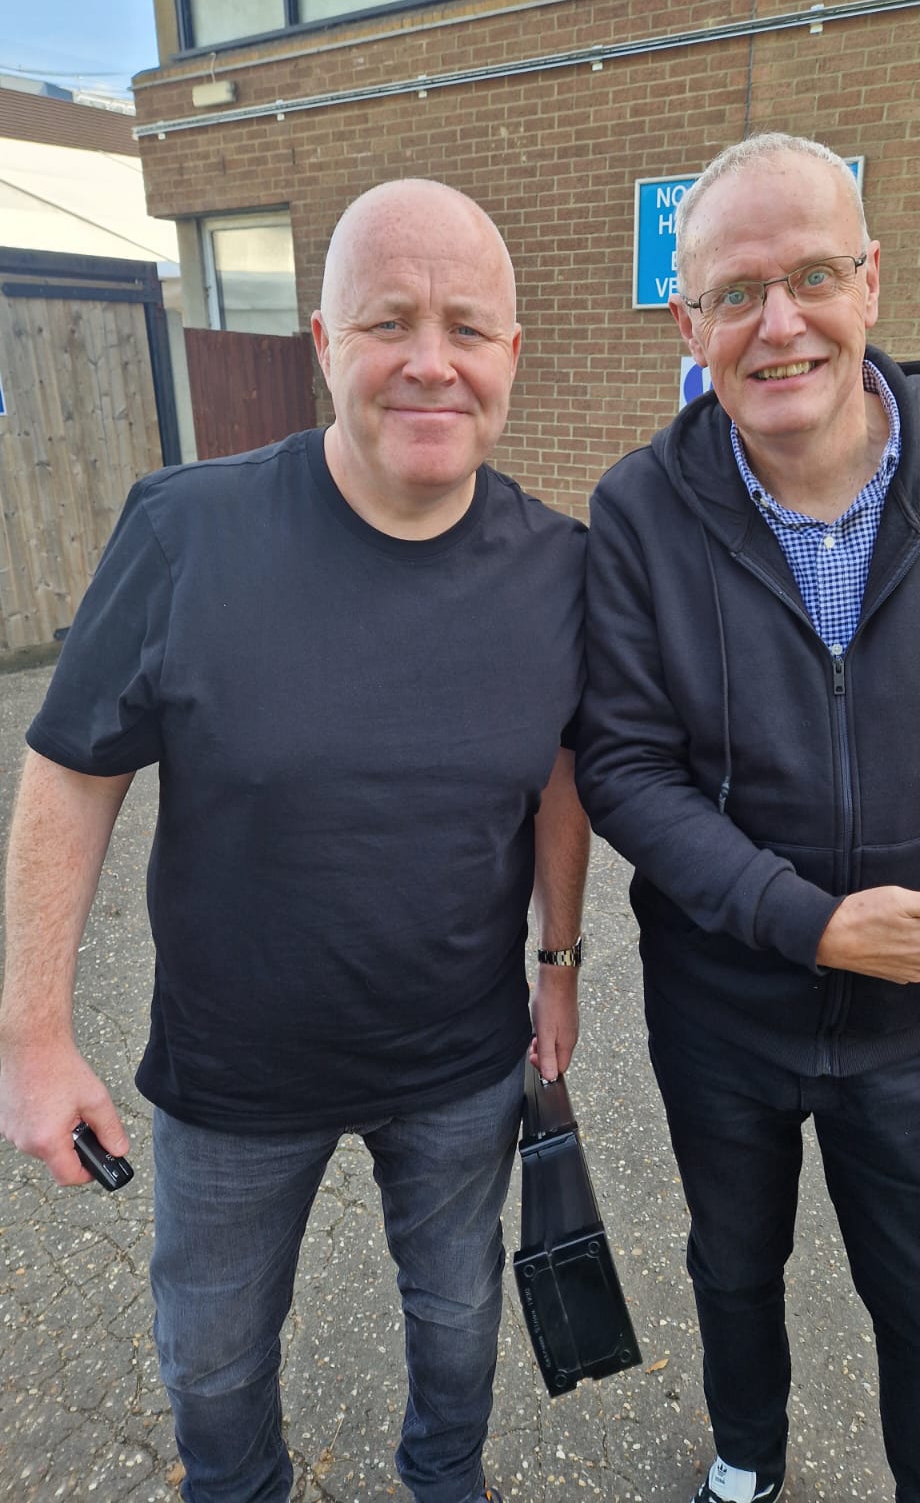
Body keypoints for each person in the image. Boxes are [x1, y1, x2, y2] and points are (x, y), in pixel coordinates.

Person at [575, 133, 920, 1503]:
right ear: (689, 319)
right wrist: (810, 925)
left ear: (872, 283)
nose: (782, 323)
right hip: (722, 1010)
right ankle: (747, 1462)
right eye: (736, 291)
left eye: (814, 274)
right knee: (733, 1263)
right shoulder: (640, 514)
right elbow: (625, 768)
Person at [0, 179, 590, 1503]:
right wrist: (31, 1038)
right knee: (210, 1362)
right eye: (389, 322)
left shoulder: (563, 568)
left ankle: (447, 1481)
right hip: (230, 1076)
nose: (430, 360)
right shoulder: (185, 531)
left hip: (457, 1064)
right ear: (324, 346)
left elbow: (562, 770)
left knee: (458, 1327)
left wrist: (560, 963)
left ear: (510, 356)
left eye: (467, 327)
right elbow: (68, 773)